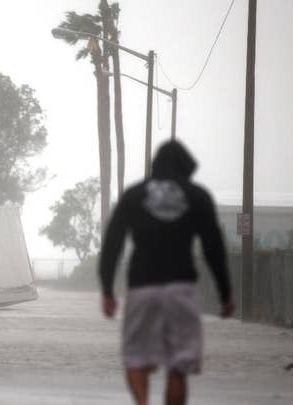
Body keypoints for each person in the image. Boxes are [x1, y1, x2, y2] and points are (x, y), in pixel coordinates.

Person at [99, 140, 234, 405]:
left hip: (141, 287)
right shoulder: (197, 196)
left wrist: (107, 291)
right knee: (178, 364)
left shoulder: (134, 195)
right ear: (186, 168)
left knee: (136, 358)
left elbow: (112, 243)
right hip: (181, 287)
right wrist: (225, 293)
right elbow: (213, 247)